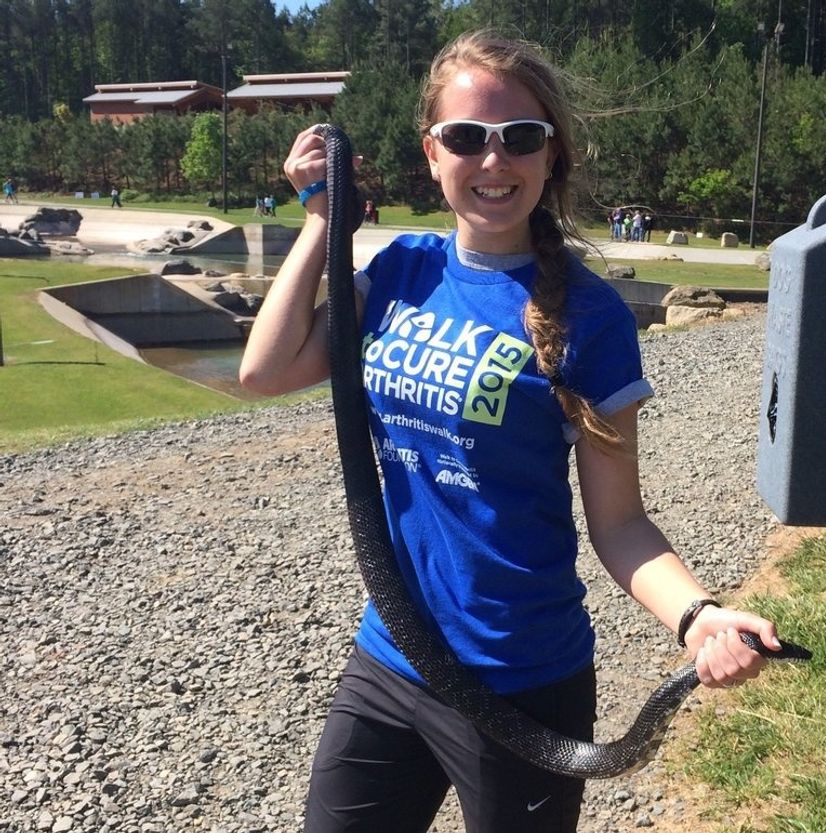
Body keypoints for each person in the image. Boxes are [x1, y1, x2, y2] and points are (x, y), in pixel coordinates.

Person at [239, 29, 783, 833]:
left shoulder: (591, 317)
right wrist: (324, 218)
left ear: (551, 154)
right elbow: (266, 369)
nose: (493, 162)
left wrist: (700, 615)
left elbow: (620, 521)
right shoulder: (398, 272)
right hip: (391, 657)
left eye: (519, 138)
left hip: (521, 679)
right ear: (432, 152)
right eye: (466, 138)